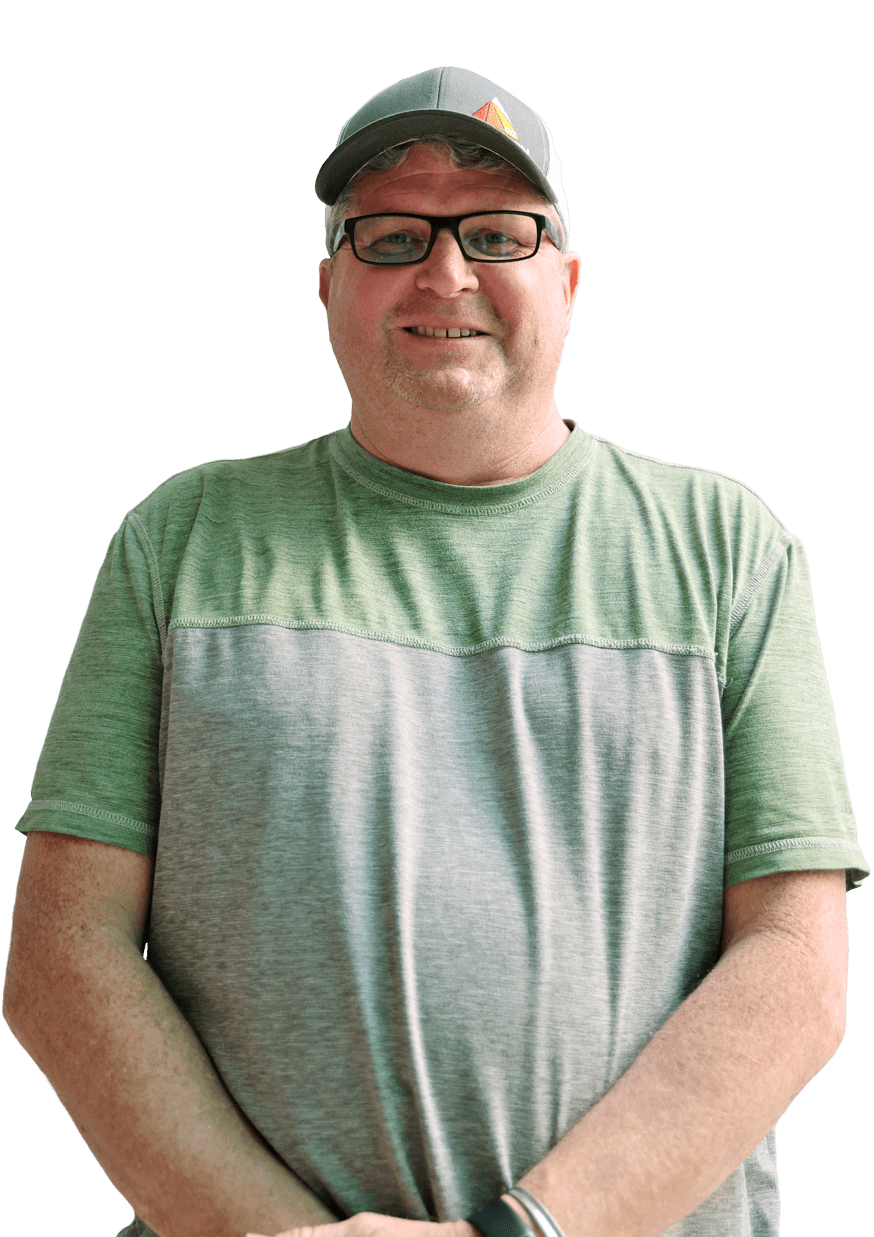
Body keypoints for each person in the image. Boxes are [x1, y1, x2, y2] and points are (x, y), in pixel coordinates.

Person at [3, 66, 867, 1237]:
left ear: (566, 283)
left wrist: (527, 1233)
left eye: (498, 235)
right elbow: (62, 950)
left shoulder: (728, 550)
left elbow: (795, 969)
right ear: (326, 287)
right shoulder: (184, 539)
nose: (444, 272)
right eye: (392, 234)